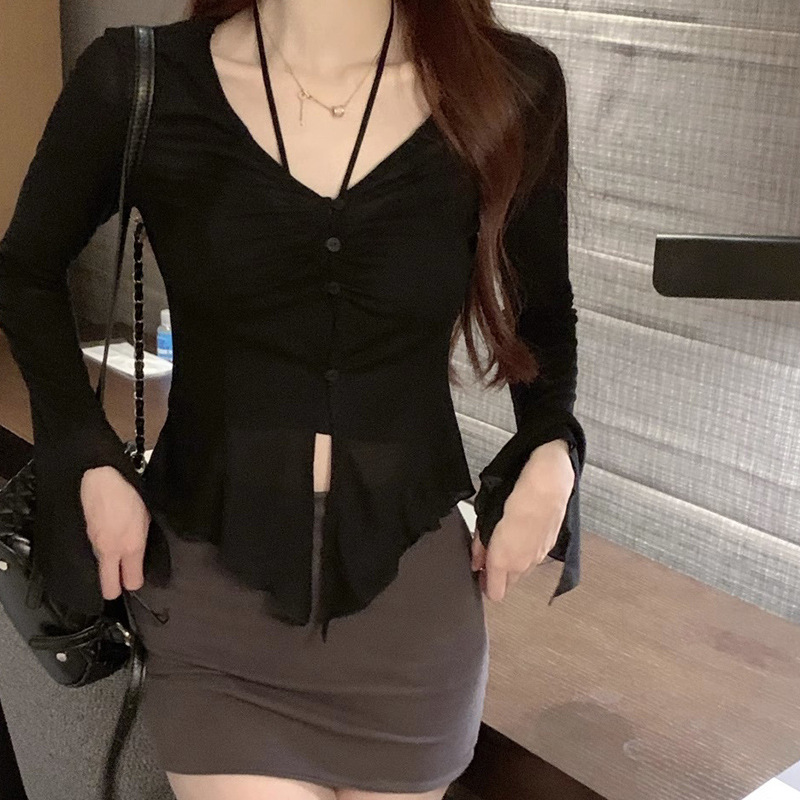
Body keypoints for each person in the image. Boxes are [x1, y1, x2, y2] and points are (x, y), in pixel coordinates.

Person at [0, 0, 586, 798]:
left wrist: (552, 450)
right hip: (213, 600)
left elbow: (543, 313)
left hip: (414, 613)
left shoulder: (512, 87)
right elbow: (25, 272)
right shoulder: (139, 79)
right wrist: (84, 451)